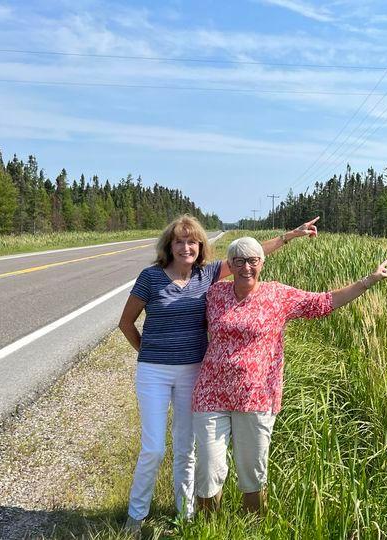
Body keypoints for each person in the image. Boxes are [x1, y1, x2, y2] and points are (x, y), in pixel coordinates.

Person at [118, 215, 319, 533]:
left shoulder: (206, 275)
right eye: (179, 241)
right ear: (169, 246)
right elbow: (126, 322)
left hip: (193, 371)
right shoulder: (151, 277)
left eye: (192, 242)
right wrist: (148, 352)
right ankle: (136, 514)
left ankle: (185, 514)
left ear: (201, 247)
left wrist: (289, 236)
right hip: (154, 371)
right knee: (154, 447)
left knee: (186, 448)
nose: (186, 247)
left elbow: (249, 257)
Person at [191, 236, 387, 515]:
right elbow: (183, 315)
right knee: (208, 469)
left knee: (252, 471)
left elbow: (324, 302)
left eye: (253, 260)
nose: (246, 267)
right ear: (231, 264)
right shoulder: (215, 294)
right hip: (210, 394)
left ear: (261, 263)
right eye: (239, 261)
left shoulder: (278, 296)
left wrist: (368, 280)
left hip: (256, 396)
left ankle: (251, 527)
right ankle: (207, 528)